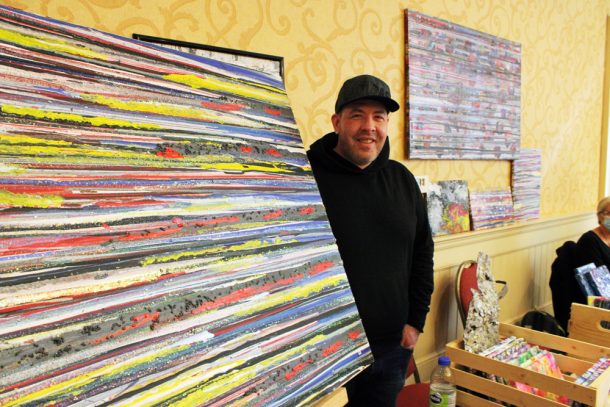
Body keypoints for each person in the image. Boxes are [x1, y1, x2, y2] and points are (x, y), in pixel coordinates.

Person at [306, 74, 434, 407]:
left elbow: (423, 253)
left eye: (379, 116)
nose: (369, 126)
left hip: (391, 347)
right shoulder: (306, 180)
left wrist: (415, 323)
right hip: (322, 350)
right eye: (357, 114)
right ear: (337, 122)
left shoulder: (402, 181)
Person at [550, 196, 610, 332]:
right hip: (598, 301)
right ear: (599, 217)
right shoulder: (589, 241)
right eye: (609, 214)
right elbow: (599, 283)